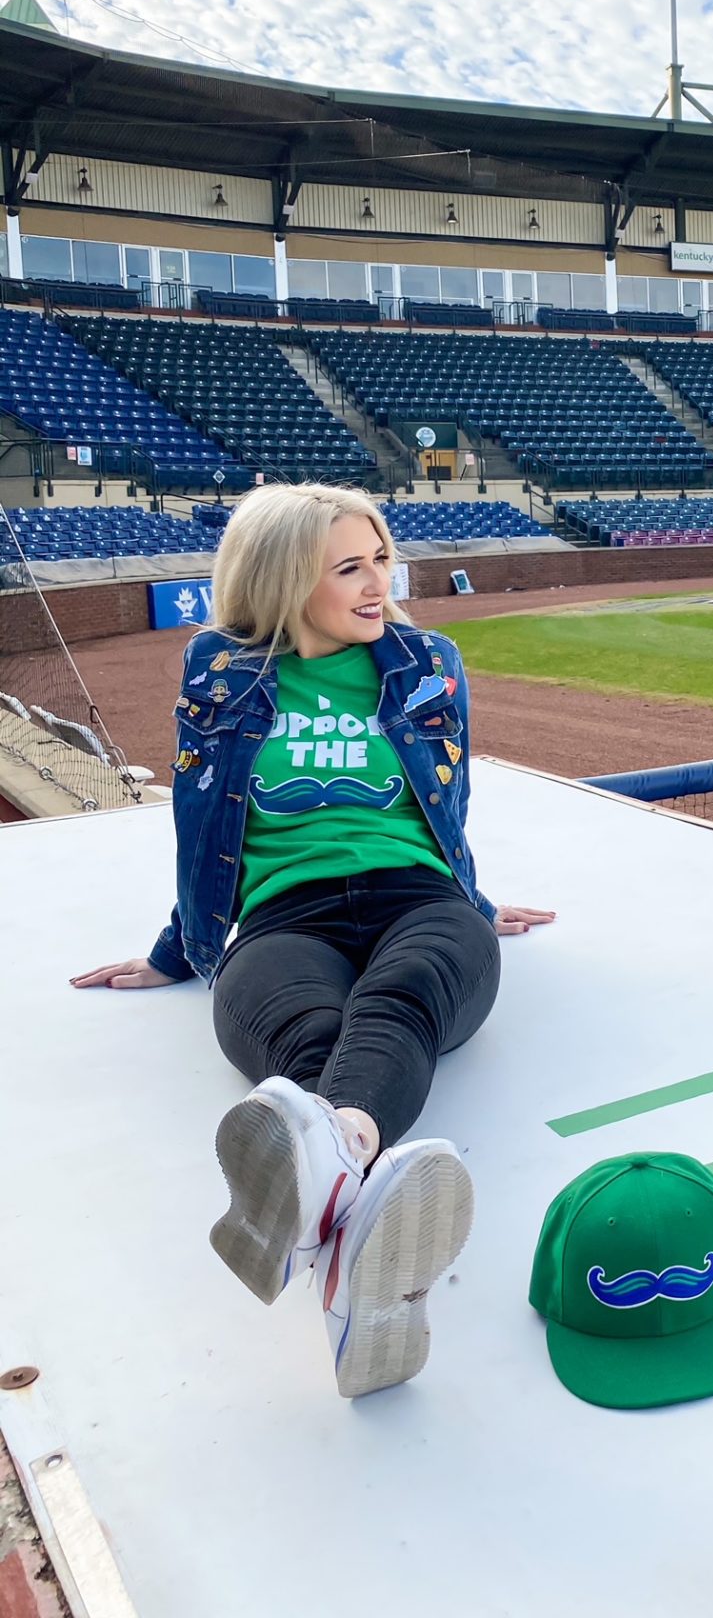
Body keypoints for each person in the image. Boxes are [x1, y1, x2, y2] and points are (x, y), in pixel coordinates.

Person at [71, 483, 554, 1399]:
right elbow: (200, 819)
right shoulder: (221, 670)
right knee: (306, 1037)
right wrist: (179, 949)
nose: (380, 583)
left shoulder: (427, 662)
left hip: (422, 901)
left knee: (400, 998)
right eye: (350, 568)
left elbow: (446, 808)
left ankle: (336, 1158)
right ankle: (348, 1257)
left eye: (382, 558)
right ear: (286, 579)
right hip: (285, 914)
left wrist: (476, 907)